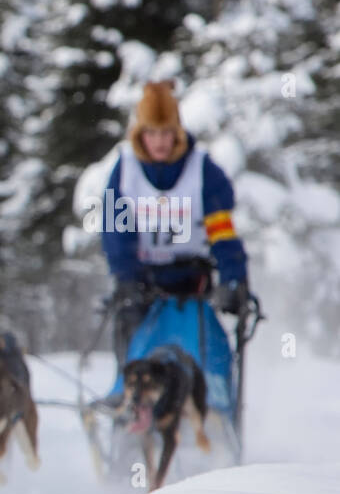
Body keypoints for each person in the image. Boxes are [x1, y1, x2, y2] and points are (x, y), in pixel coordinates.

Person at [100, 80, 249, 370]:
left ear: (177, 132)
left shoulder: (203, 171)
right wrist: (126, 277)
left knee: (206, 358)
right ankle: (132, 403)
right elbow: (115, 233)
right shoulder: (125, 171)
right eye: (152, 133)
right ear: (140, 135)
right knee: (134, 351)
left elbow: (222, 232)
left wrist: (234, 278)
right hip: (142, 285)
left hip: (191, 284)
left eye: (166, 132)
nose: (159, 142)